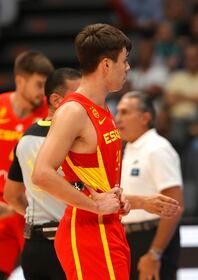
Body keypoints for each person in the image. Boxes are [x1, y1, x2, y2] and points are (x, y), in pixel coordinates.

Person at [31, 23, 179, 280]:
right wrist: (93, 204)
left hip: (108, 227)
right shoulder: (73, 111)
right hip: (88, 232)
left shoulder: (103, 109)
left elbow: (95, 184)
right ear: (107, 65)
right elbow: (41, 174)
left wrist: (140, 201)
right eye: (125, 60)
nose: (128, 67)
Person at [4, 68, 81, 279]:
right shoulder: (78, 138)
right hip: (70, 243)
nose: (84, 104)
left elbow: (11, 195)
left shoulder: (25, 137)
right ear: (56, 100)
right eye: (78, 97)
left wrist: (39, 214)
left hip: (35, 245)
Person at [116, 91, 184, 280]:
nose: (117, 118)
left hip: (151, 238)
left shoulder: (158, 148)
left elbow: (175, 206)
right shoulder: (126, 148)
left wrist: (154, 253)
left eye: (124, 112)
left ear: (145, 117)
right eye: (118, 112)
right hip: (126, 239)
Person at [0, 51, 54, 279]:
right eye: (39, 85)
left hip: (31, 211)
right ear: (20, 80)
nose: (43, 93)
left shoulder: (49, 112)